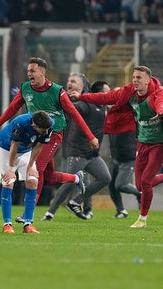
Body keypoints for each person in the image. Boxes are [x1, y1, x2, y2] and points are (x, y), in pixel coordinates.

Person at [0, 57, 99, 223]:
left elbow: (74, 114)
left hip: (53, 134)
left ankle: (27, 214)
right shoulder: (25, 89)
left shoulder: (57, 91)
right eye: (28, 70)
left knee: (35, 169)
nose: (29, 73)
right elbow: (12, 109)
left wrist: (91, 136)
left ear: (42, 72)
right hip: (35, 135)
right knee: (49, 177)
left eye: (33, 71)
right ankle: (77, 178)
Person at [75, 65, 163, 228]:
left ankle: (142, 219)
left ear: (147, 80)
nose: (135, 80)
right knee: (140, 185)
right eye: (133, 77)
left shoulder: (158, 92)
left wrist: (161, 111)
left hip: (160, 143)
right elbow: (106, 97)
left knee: (146, 182)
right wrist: (82, 97)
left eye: (139, 78)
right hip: (143, 142)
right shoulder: (129, 92)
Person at [0, 111, 84, 233]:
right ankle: (7, 224)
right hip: (5, 148)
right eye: (42, 130)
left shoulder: (50, 125)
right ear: (33, 125)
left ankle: (28, 223)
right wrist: (11, 170)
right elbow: (14, 146)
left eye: (47, 130)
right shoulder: (20, 123)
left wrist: (30, 166)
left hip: (26, 149)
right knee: (9, 181)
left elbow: (39, 146)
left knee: (33, 180)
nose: (45, 132)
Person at [42, 77, 111, 221]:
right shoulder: (86, 105)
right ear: (98, 93)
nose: (108, 95)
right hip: (78, 152)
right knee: (70, 182)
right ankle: (50, 213)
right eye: (106, 92)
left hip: (92, 154)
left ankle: (75, 202)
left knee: (105, 178)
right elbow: (72, 108)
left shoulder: (103, 107)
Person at [107, 130, 142, 218]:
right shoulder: (112, 120)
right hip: (115, 156)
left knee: (120, 185)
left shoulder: (129, 119)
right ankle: (121, 211)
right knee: (111, 185)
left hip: (128, 157)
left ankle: (139, 193)